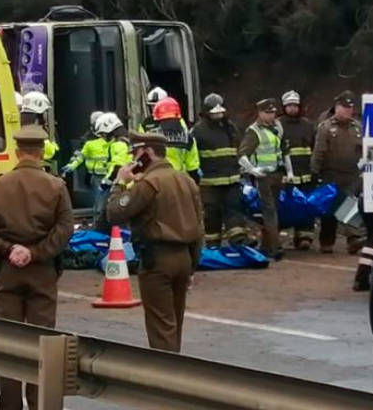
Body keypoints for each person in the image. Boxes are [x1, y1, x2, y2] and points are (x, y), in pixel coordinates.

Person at [0, 125, 74, 410]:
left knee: (10, 340)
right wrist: (37, 252)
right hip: (42, 272)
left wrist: (9, 249)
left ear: (17, 152)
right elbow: (65, 228)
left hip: (9, 271)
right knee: (44, 342)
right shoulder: (56, 187)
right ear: (41, 152)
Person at [103, 132, 203, 354]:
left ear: (147, 153)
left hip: (157, 260)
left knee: (161, 328)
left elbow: (114, 213)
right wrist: (193, 266)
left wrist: (120, 183)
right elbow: (199, 227)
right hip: (184, 258)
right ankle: (175, 370)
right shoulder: (186, 180)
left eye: (136, 154)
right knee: (175, 323)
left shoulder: (149, 183)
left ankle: (165, 377)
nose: (133, 160)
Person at [238, 98, 294, 260]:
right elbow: (242, 155)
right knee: (269, 211)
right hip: (263, 177)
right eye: (267, 112)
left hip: (277, 174)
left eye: (273, 112)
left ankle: (266, 244)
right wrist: (253, 171)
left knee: (273, 210)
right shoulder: (253, 131)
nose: (271, 115)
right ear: (260, 113)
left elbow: (284, 150)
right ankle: (275, 247)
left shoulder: (277, 127)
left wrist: (289, 172)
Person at [190, 93, 248, 247]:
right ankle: (212, 244)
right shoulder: (197, 131)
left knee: (235, 208)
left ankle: (238, 240)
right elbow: (192, 154)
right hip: (209, 182)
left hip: (232, 178)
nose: (218, 116)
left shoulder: (230, 128)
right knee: (212, 213)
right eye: (215, 113)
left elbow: (239, 148)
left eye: (220, 112)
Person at [311, 90, 365, 255]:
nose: (347, 111)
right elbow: (318, 151)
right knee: (329, 211)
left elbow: (363, 148)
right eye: (344, 107)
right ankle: (327, 242)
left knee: (349, 203)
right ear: (336, 107)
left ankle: (353, 238)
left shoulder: (358, 127)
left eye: (350, 108)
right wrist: (315, 171)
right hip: (330, 173)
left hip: (351, 174)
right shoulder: (326, 127)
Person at [278, 90, 316, 250]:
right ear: (284, 107)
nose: (292, 109)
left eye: (295, 105)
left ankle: (304, 236)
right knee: (285, 205)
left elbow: (315, 146)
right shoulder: (277, 124)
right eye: (289, 106)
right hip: (287, 174)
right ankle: (277, 235)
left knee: (306, 205)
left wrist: (315, 170)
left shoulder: (308, 125)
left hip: (306, 172)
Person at [61, 113, 116, 221]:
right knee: (100, 204)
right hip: (96, 176)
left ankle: (108, 225)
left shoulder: (112, 137)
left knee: (110, 202)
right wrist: (72, 165)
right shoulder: (88, 139)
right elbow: (80, 154)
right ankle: (99, 225)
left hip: (112, 174)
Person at [151, 96, 200, 182]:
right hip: (179, 182)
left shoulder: (151, 137)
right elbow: (193, 168)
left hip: (156, 182)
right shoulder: (188, 138)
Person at [19, 91, 59, 170]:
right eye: (45, 112)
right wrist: (54, 144)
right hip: (35, 170)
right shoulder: (35, 128)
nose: (46, 115)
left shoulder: (19, 125)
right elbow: (49, 152)